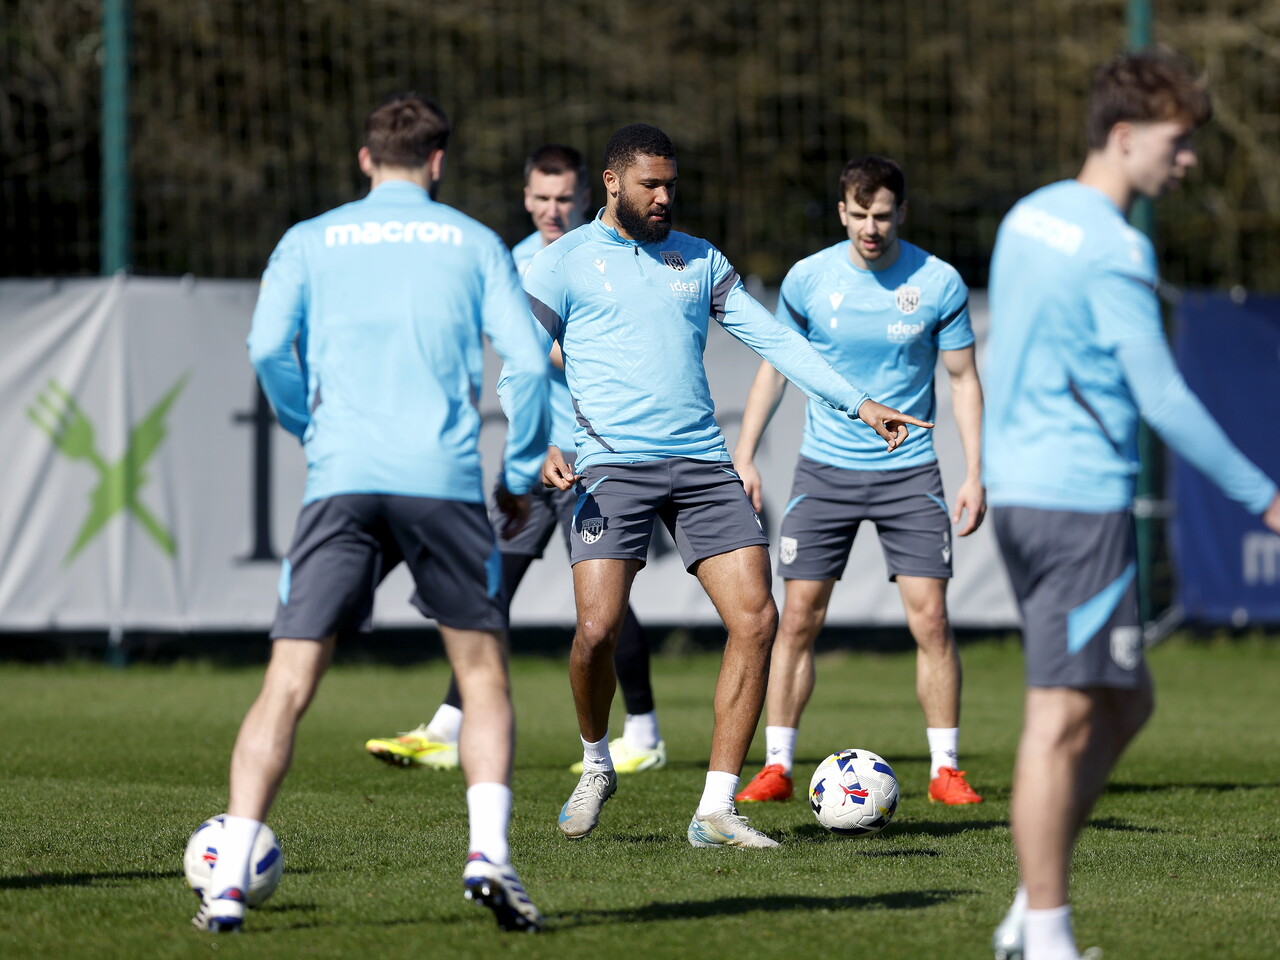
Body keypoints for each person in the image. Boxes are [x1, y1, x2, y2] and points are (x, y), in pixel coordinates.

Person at [191, 94, 549, 934]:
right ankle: (488, 856)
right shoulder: (474, 241)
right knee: (481, 675)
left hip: (341, 478)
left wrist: (307, 426)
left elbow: (265, 347)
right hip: (442, 482)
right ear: (437, 161)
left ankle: (228, 882)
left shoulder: (309, 239)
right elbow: (531, 364)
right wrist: (519, 473)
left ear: (364, 159)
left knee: (288, 681)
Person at [526, 123, 933, 849]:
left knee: (757, 620)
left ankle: (716, 808)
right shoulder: (563, 263)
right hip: (611, 465)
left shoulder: (699, 259)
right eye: (650, 185)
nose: (664, 197)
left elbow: (775, 339)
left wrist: (860, 403)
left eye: (671, 185)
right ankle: (596, 762)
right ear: (612, 183)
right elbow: (523, 362)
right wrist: (537, 442)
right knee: (596, 631)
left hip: (702, 465)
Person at [984, 51, 1280, 960]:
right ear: (1123, 136)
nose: (1187, 160)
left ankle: (1030, 907)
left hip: (1022, 495)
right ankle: (1045, 933)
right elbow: (1163, 397)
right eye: (1177, 142)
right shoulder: (1115, 247)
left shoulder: (1028, 216)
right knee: (1061, 717)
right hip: (1075, 501)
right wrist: (1264, 497)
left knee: (1126, 700)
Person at [364, 145, 667, 776]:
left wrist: (540, 344)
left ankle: (643, 732)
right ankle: (448, 728)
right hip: (533, 458)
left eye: (565, 198)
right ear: (527, 198)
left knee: (603, 607)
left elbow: (592, 350)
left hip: (593, 458)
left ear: (589, 196)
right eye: (542, 198)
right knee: (488, 586)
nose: (553, 209)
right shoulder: (510, 260)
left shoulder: (603, 255)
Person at [732, 155, 986, 808]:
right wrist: (745, 454)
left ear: (902, 212)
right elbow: (775, 368)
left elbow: (962, 379)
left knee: (932, 620)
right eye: (859, 215)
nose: (871, 228)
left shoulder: (938, 282)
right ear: (842, 211)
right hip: (825, 471)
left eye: (883, 215)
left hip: (910, 474)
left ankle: (946, 771)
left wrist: (974, 473)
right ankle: (777, 766)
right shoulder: (808, 279)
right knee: (796, 620)